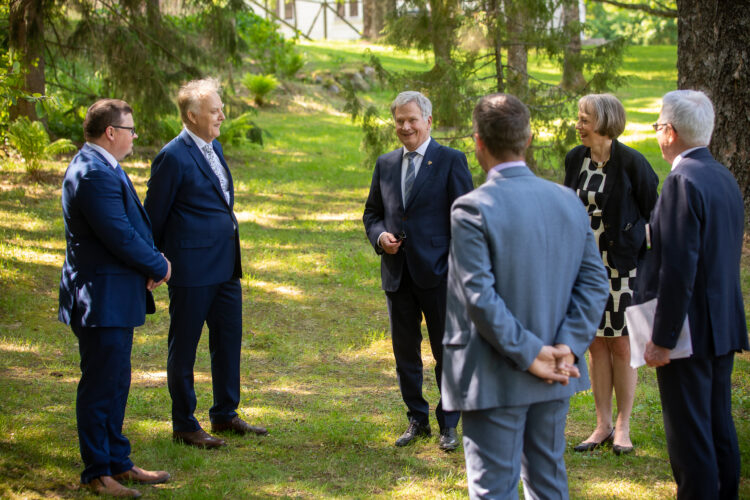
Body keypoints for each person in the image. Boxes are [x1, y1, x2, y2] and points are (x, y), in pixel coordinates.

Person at [441, 93, 609, 499]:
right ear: (528, 138)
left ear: (478, 142)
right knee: (548, 484)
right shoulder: (567, 200)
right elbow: (595, 283)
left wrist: (533, 354)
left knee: (494, 490)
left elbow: (479, 298)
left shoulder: (471, 208)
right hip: (557, 369)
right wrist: (567, 347)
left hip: (494, 372)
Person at [636, 89, 748, 499]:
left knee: (690, 440)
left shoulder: (682, 181)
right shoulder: (722, 175)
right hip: (720, 324)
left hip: (688, 333)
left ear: (671, 132)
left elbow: (679, 270)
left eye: (658, 125)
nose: (658, 133)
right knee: (718, 427)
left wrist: (662, 340)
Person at [144, 78, 267, 449]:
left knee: (228, 341)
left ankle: (225, 413)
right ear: (192, 115)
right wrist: (156, 263)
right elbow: (153, 217)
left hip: (227, 267)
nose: (222, 116)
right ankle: (184, 423)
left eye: (221, 109)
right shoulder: (172, 156)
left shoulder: (215, 148)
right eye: (215, 111)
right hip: (192, 270)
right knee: (184, 347)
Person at [59, 99, 172, 497]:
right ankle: (97, 472)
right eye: (130, 130)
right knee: (100, 385)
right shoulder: (92, 174)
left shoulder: (103, 166)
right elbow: (119, 235)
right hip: (99, 297)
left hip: (113, 294)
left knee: (116, 381)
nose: (134, 136)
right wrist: (159, 265)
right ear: (111, 132)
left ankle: (118, 462)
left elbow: (128, 226)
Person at [363, 91, 473, 451]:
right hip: (398, 274)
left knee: (447, 351)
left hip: (439, 275)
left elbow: (465, 220)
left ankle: (449, 422)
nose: (405, 127)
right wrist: (380, 237)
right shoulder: (386, 163)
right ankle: (416, 418)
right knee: (404, 352)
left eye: (412, 119)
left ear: (428, 121)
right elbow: (372, 213)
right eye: (399, 121)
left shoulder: (451, 160)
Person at [563, 93, 659, 455]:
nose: (579, 125)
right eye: (579, 118)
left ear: (604, 122)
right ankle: (601, 423)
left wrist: (637, 238)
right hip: (584, 267)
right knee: (595, 341)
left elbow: (653, 211)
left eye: (585, 119)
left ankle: (623, 425)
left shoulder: (633, 163)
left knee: (620, 342)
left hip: (620, 266)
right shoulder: (576, 158)